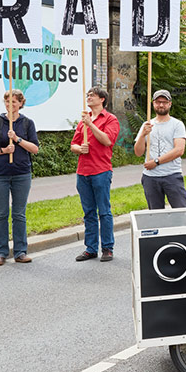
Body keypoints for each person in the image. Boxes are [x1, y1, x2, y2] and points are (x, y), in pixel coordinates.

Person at [0, 89, 40, 266]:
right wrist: (3, 150)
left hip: (21, 174)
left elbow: (35, 149)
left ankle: (20, 252)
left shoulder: (27, 123)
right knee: (1, 214)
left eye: (13, 101)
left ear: (21, 103)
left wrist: (17, 139)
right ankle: (0, 252)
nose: (10, 104)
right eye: (7, 101)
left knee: (19, 214)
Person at [70, 86, 120, 262]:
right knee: (88, 212)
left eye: (92, 95)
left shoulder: (110, 119)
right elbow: (73, 145)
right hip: (83, 172)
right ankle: (91, 248)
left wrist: (90, 124)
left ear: (102, 99)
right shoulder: (83, 121)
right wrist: (79, 149)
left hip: (101, 171)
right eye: (88, 95)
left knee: (104, 211)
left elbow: (107, 140)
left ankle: (107, 248)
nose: (89, 97)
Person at [134, 89, 186, 209]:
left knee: (182, 211)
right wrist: (143, 135)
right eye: (158, 102)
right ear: (153, 103)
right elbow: (138, 152)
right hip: (150, 177)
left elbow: (179, 150)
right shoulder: (146, 125)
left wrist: (156, 162)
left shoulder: (177, 124)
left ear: (170, 104)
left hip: (172, 175)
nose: (161, 105)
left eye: (164, 102)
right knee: (155, 214)